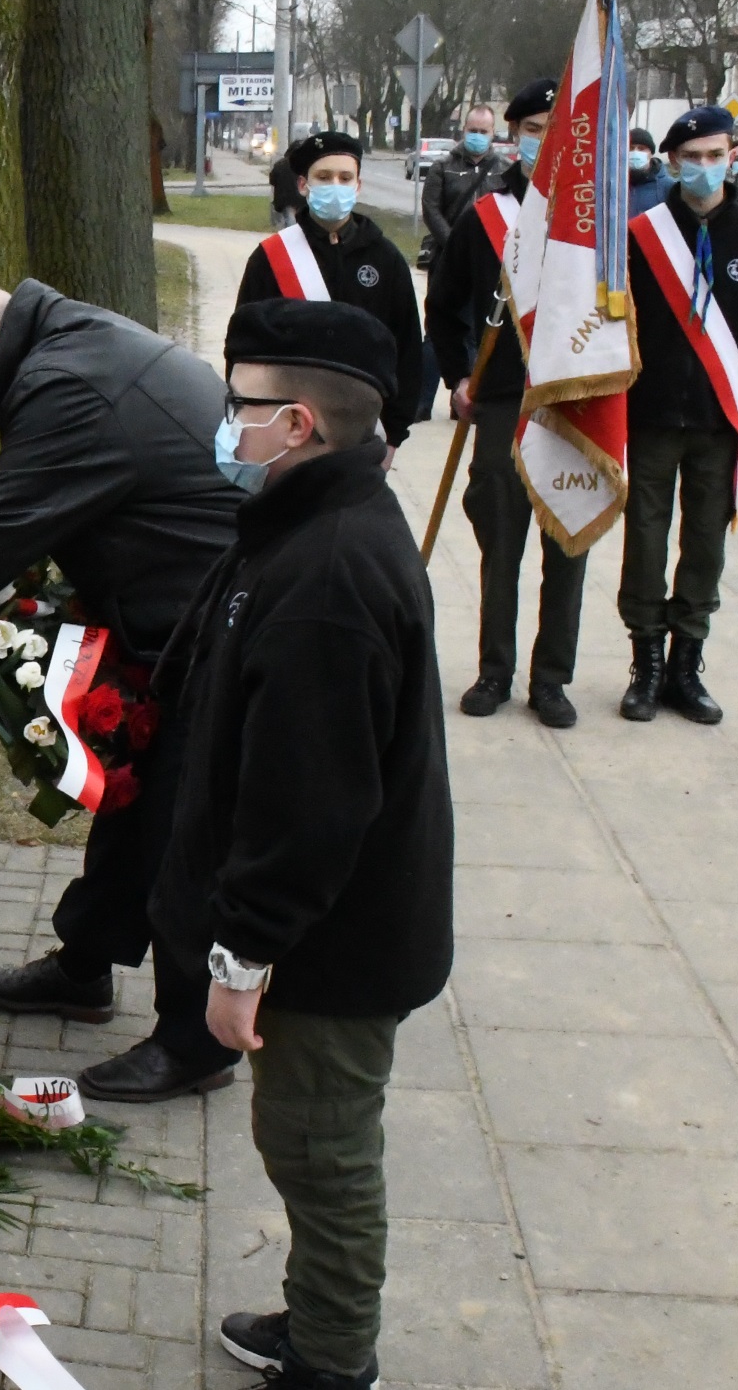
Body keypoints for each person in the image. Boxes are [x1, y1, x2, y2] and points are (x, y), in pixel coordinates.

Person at [148, 298, 453, 1390]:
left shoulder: (327, 573)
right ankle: (318, 1316)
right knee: (305, 1138)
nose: (222, 422)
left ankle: (330, 1357)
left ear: (298, 425)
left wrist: (241, 956)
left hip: (330, 945)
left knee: (318, 1148)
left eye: (240, 404)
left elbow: (308, 803)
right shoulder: (301, 523)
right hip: (319, 930)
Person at [0, 281, 245, 1102]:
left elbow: (0, 528)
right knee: (133, 796)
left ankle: (195, 1044)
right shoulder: (65, 348)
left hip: (218, 623)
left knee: (181, 828)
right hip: (176, 612)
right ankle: (84, 966)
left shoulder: (67, 385)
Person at [617, 106, 738, 724]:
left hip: (722, 422)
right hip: (652, 416)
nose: (705, 167)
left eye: (716, 155)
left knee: (706, 543)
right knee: (644, 540)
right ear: (672, 162)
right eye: (692, 158)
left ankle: (686, 665)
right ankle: (647, 663)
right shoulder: (642, 236)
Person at [425, 77, 587, 727]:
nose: (545, 142)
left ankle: (551, 679)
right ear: (514, 136)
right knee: (500, 536)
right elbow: (444, 305)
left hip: (572, 402)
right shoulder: (484, 216)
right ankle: (494, 669)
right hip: (500, 398)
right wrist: (457, 376)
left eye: (557, 131)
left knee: (566, 543)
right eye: (534, 130)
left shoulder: (594, 224)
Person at [236, 130, 424, 452]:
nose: (335, 185)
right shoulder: (270, 259)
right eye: (323, 177)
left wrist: (394, 435)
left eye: (345, 178)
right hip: (289, 428)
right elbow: (244, 349)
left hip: (365, 432)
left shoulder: (386, 259)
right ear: (303, 185)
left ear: (358, 186)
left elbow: (407, 350)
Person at [418, 104, 507, 261]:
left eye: (483, 132)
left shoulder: (506, 170)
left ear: (492, 132)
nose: (477, 136)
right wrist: (454, 244)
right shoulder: (442, 167)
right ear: (464, 130)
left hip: (491, 257)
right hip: (449, 256)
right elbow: (431, 210)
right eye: (473, 131)